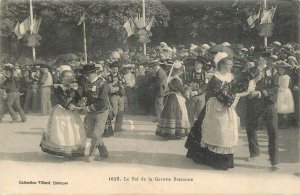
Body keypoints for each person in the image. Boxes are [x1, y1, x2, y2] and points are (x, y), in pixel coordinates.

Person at [185, 52, 247, 170]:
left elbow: (232, 90)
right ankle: (207, 158)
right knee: (212, 129)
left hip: (226, 106)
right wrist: (229, 98)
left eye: (231, 65)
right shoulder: (215, 78)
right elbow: (217, 94)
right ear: (222, 65)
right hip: (216, 106)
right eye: (229, 65)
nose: (230, 67)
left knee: (225, 132)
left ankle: (224, 158)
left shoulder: (230, 77)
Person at [245, 47, 279, 170]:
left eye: (262, 57)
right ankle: (254, 153)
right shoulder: (250, 71)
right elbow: (245, 86)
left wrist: (260, 93)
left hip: (268, 104)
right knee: (251, 127)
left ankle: (274, 160)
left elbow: (275, 88)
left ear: (265, 58)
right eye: (257, 57)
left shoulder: (273, 70)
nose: (259, 59)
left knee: (273, 131)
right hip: (253, 104)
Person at [40, 67, 86, 157]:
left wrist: (77, 92)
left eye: (70, 76)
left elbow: (77, 98)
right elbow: (61, 99)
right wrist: (69, 106)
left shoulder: (74, 87)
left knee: (74, 129)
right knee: (62, 129)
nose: (68, 78)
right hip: (61, 110)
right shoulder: (58, 87)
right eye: (66, 77)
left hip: (72, 111)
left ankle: (72, 150)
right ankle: (63, 150)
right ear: (61, 78)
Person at [79, 64, 110, 161]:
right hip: (90, 112)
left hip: (101, 111)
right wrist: (82, 101)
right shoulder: (86, 83)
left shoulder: (102, 83)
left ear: (94, 72)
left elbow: (102, 102)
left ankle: (91, 154)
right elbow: (84, 95)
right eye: (85, 74)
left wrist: (87, 108)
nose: (87, 76)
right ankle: (104, 152)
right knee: (92, 133)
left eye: (89, 74)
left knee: (96, 134)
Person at [156, 60, 190, 139]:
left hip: (171, 97)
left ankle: (170, 131)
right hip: (176, 98)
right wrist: (187, 90)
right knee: (177, 114)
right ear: (178, 71)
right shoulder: (175, 79)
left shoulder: (171, 78)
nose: (182, 72)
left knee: (171, 114)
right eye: (181, 71)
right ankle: (175, 132)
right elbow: (181, 89)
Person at [185, 56, 208, 124]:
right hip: (191, 95)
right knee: (191, 112)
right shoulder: (190, 73)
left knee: (200, 112)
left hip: (201, 95)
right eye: (195, 63)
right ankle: (190, 128)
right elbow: (186, 83)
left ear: (202, 65)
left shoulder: (205, 74)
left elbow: (205, 86)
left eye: (198, 63)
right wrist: (189, 90)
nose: (196, 64)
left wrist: (197, 92)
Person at [107, 61, 125, 132]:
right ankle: (108, 126)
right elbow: (108, 87)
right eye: (114, 69)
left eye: (116, 69)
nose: (115, 70)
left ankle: (118, 128)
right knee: (114, 112)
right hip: (113, 96)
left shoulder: (120, 76)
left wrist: (121, 86)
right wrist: (113, 85)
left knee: (121, 111)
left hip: (121, 95)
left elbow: (124, 84)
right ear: (111, 69)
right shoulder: (108, 77)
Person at [276, 62, 294, 129]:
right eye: (279, 70)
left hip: (284, 92)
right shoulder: (279, 76)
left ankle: (285, 124)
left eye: (281, 70)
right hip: (279, 92)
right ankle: (281, 123)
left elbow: (285, 86)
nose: (280, 71)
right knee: (279, 108)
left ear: (284, 70)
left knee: (285, 108)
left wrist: (278, 88)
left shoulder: (286, 77)